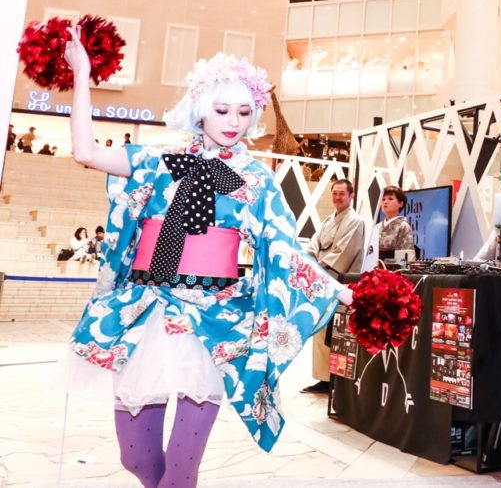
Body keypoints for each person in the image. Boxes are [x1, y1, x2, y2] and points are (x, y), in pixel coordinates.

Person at [61, 33, 353, 487]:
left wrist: (338, 290)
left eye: (244, 112)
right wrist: (82, 74)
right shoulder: (158, 161)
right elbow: (85, 152)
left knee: (181, 470)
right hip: (147, 313)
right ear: (200, 108)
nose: (233, 121)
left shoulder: (255, 178)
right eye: (222, 110)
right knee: (135, 458)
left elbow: (283, 246)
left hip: (212, 323)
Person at [302, 178, 365, 394]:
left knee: (337, 332)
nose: (337, 197)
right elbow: (314, 243)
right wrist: (310, 261)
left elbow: (343, 251)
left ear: (351, 196)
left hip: (339, 281)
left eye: (342, 194)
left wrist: (320, 265)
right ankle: (323, 377)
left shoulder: (356, 221)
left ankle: (335, 379)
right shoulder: (329, 219)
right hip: (323, 280)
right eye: (335, 193)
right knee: (321, 329)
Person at [365, 185, 415, 269]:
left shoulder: (403, 226)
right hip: (375, 269)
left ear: (400, 203)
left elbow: (406, 258)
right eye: (383, 199)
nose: (385, 202)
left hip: (393, 271)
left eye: (390, 199)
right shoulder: (377, 227)